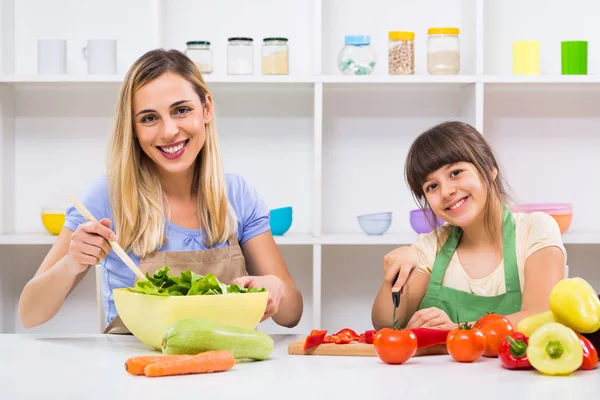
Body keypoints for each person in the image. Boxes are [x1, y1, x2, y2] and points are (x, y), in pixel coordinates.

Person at [18, 49, 303, 332]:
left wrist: (276, 289)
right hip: (134, 368)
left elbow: (292, 315)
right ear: (133, 128)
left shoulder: (238, 195)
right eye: (149, 118)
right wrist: (71, 263)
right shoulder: (106, 197)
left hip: (227, 367)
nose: (168, 132)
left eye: (181, 110)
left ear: (206, 109)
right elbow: (29, 314)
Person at [371, 121, 566, 335]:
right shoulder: (432, 245)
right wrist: (397, 272)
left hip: (512, 368)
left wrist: (456, 330)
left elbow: (539, 316)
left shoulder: (535, 230)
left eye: (455, 173)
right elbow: (387, 324)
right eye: (432, 186)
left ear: (490, 170)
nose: (446, 192)